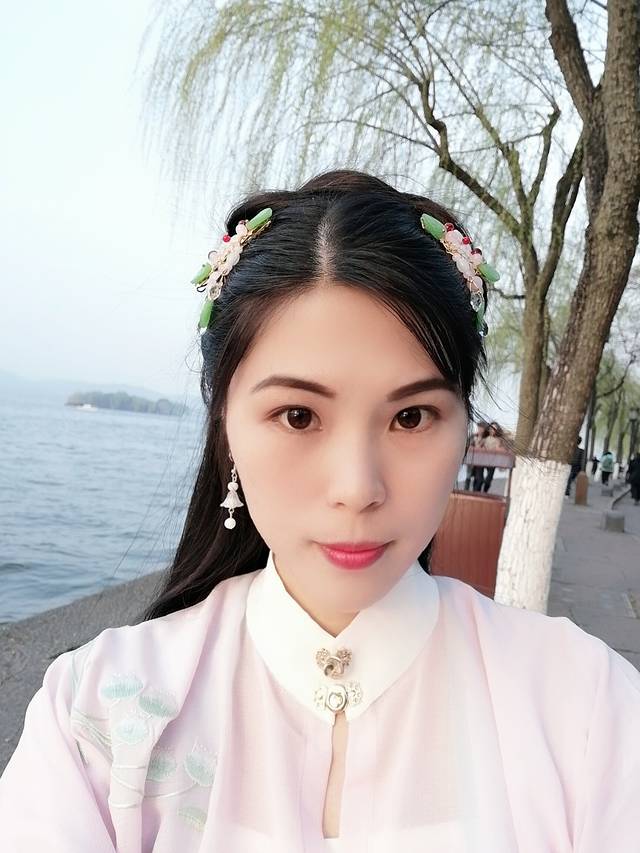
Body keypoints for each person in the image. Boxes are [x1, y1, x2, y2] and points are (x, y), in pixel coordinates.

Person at [2, 170, 639, 851]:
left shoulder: (585, 707)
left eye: (412, 416)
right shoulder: (98, 716)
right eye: (298, 415)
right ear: (226, 428)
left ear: (462, 428)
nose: (357, 487)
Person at [480, 421, 503, 493]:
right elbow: (479, 447)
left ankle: (484, 492)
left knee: (489, 479)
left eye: (494, 429)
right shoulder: (485, 439)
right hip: (483, 460)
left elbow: (498, 449)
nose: (492, 430)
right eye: (491, 428)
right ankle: (478, 491)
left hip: (493, 461)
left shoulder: (498, 440)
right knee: (479, 479)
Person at [464, 422, 485, 490]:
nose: (480, 429)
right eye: (479, 427)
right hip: (471, 459)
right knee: (468, 475)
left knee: (478, 478)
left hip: (480, 461)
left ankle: (475, 491)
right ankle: (466, 490)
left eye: (482, 428)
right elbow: (468, 444)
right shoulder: (473, 436)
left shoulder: (485, 438)